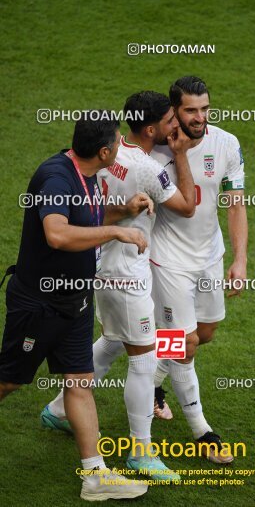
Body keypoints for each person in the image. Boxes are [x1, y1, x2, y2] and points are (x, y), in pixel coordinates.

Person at [42, 91, 195, 481]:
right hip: (127, 274)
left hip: (100, 266)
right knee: (145, 357)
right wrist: (180, 153)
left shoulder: (109, 152)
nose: (174, 125)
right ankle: (141, 452)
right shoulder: (147, 167)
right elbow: (187, 205)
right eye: (168, 122)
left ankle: (59, 409)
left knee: (113, 340)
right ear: (151, 128)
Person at [0, 111, 149, 501]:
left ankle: (95, 476)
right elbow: (57, 234)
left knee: (79, 383)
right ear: (103, 151)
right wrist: (117, 230)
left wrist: (124, 211)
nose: (120, 147)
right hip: (40, 306)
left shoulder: (88, 175)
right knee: (10, 380)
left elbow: (89, 218)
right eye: (117, 143)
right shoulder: (56, 178)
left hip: (75, 302)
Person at [150, 76, 248, 464]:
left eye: (204, 108)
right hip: (167, 260)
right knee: (184, 343)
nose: (199, 117)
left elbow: (235, 204)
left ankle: (152, 383)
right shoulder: (157, 152)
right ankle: (203, 431)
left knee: (204, 334)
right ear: (174, 110)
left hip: (209, 255)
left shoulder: (227, 143)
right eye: (190, 109)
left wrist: (239, 259)